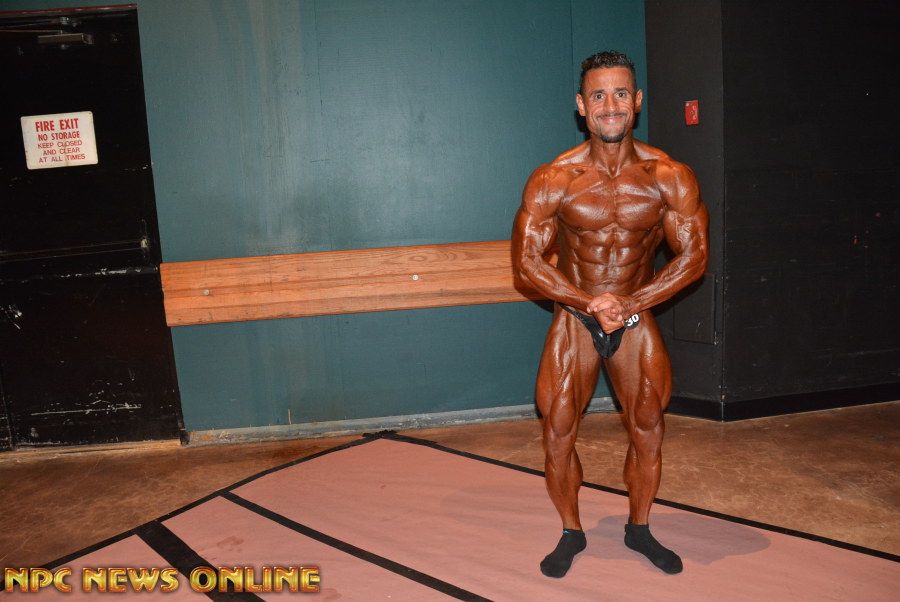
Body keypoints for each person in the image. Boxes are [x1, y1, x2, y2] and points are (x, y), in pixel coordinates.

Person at [511, 50, 709, 578]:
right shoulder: (555, 178)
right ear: (581, 106)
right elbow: (526, 262)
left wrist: (631, 303)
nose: (610, 105)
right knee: (558, 428)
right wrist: (586, 302)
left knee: (648, 427)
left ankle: (639, 527)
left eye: (621, 93)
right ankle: (570, 532)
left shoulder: (668, 176)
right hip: (575, 318)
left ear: (637, 100)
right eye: (598, 95)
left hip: (634, 316)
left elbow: (695, 257)